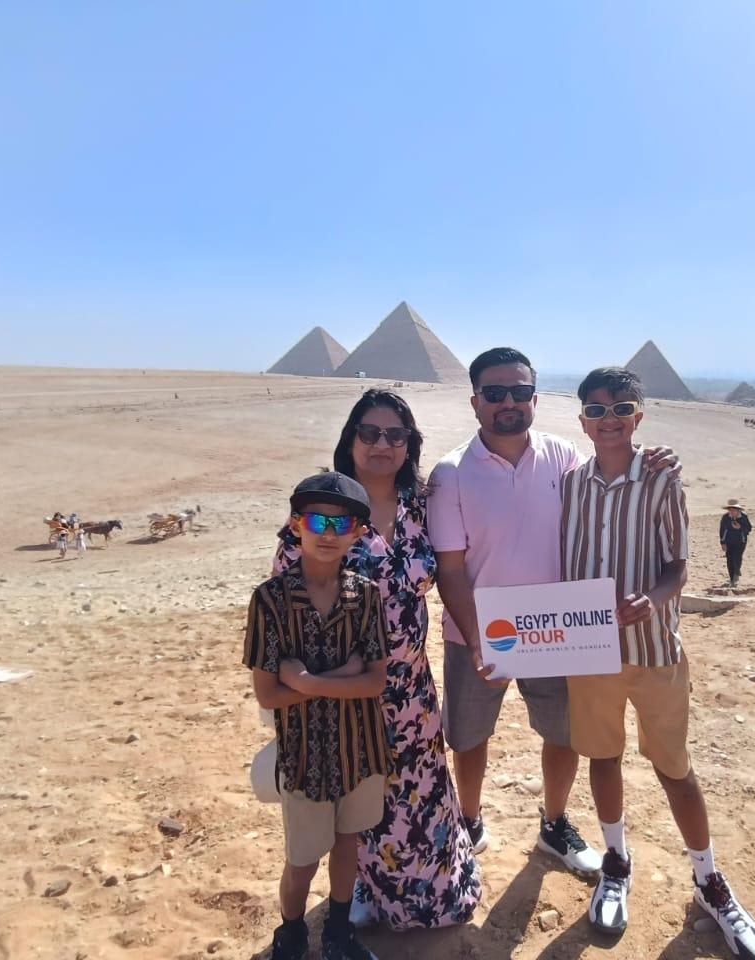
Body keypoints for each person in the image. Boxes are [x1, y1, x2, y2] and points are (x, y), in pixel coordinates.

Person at [429, 347, 678, 875]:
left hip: (555, 627)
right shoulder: (450, 473)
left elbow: (610, 475)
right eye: (495, 393)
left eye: (520, 392)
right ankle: (469, 821)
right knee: (469, 738)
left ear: (535, 399)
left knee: (562, 735)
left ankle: (554, 822)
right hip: (478, 631)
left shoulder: (563, 456)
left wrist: (653, 460)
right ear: (475, 402)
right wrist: (475, 640)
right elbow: (449, 570)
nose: (508, 402)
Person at [559, 367, 755, 957]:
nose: (608, 420)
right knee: (603, 757)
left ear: (639, 416)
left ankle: (708, 879)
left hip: (654, 650)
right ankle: (616, 862)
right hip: (591, 650)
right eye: (596, 410)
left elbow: (678, 565)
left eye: (620, 408)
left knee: (675, 769)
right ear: (582, 420)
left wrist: (651, 600)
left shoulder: (661, 480)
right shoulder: (569, 485)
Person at [273, 390, 480, 931]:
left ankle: (437, 892)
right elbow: (286, 597)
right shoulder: (325, 509)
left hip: (412, 693)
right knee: (360, 805)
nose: (382, 444)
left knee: (420, 797)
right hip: (344, 692)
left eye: (396, 435)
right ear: (351, 440)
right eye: (369, 433)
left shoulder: (422, 506)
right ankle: (363, 893)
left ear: (410, 444)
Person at [245, 472, 391, 960]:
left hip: (359, 750)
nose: (328, 533)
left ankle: (338, 933)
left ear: (358, 532)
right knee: (302, 860)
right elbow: (268, 694)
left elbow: (375, 681)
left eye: (341, 523)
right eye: (317, 521)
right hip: (303, 756)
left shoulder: (366, 596)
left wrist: (308, 682)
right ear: (296, 525)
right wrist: (343, 676)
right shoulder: (269, 600)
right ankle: (290, 935)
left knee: (348, 845)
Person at [718, 499, 752, 589]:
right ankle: (731, 578)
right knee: (729, 560)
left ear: (738, 510)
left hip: (741, 542)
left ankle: (736, 576)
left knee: (737, 558)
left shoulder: (743, 517)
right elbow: (722, 531)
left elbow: (749, 528)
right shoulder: (725, 518)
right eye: (730, 510)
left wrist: (740, 527)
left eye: (734, 510)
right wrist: (722, 543)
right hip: (729, 542)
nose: (732, 511)